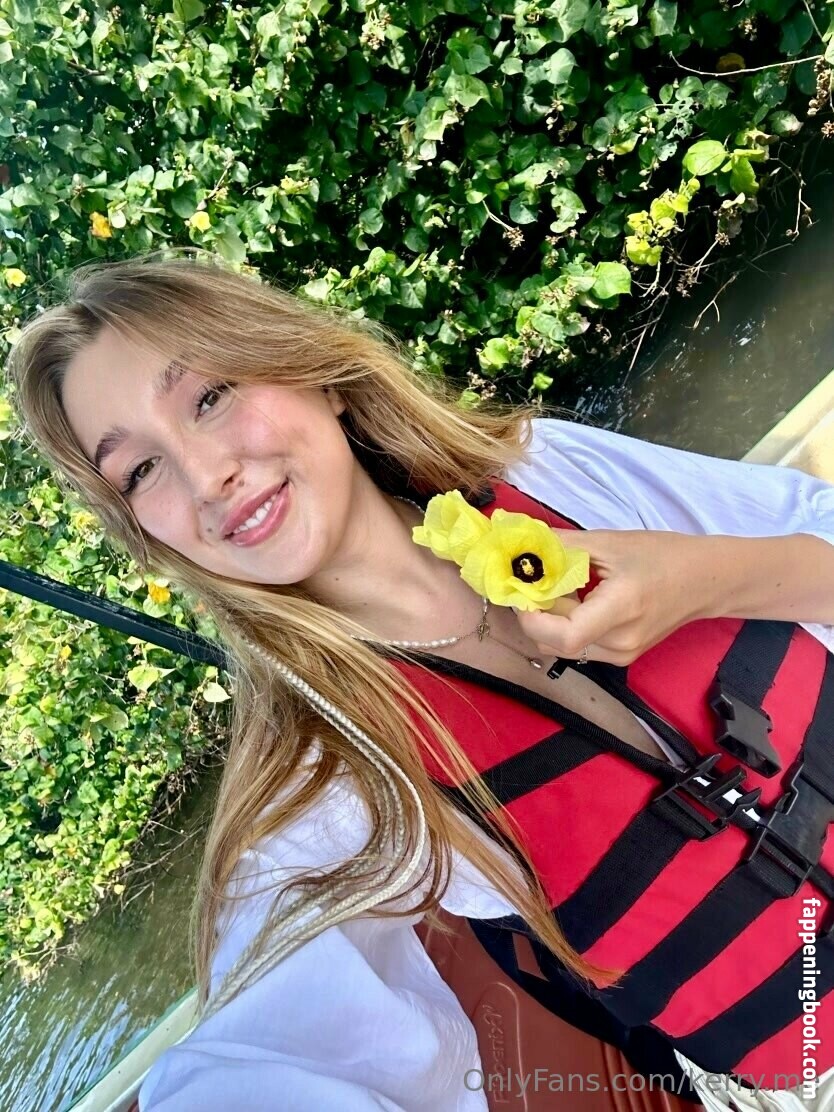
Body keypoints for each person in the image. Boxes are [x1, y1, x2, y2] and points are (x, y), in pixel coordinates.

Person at [7, 248, 834, 1112]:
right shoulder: (325, 786)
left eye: (210, 396)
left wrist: (707, 579)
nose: (206, 476)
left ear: (314, 375)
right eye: (139, 471)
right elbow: (264, 1059)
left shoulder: (548, 473)